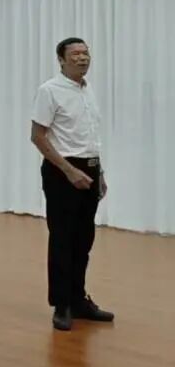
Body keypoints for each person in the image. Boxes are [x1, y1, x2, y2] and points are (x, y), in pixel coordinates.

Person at [30, 38, 114, 331]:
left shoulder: (87, 89)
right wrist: (68, 171)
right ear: (61, 60)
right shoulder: (49, 90)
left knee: (84, 239)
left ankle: (79, 299)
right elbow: (37, 136)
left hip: (89, 169)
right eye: (75, 53)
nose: (82, 58)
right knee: (63, 239)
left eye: (85, 52)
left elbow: (90, 137)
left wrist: (99, 173)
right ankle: (62, 304)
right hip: (62, 171)